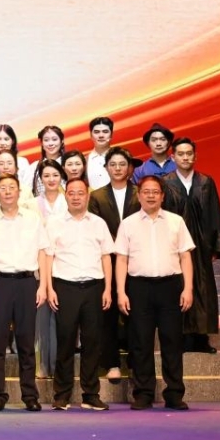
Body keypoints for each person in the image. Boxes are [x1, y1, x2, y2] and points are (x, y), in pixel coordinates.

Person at [116, 175, 195, 410]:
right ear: (139, 195)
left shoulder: (176, 221)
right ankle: (143, 393)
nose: (150, 195)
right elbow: (121, 259)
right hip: (139, 288)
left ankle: (174, 393)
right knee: (140, 342)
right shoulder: (128, 223)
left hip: (171, 287)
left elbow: (185, 256)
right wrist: (121, 292)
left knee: (172, 341)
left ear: (162, 196)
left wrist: (188, 288)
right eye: (146, 191)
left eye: (155, 192)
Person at [0, 174, 49, 412]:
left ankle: (30, 395)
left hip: (27, 283)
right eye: (3, 188)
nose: (7, 191)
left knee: (26, 342)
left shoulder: (33, 219)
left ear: (19, 191)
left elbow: (43, 252)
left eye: (11, 187)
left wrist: (42, 285)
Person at [44, 177, 113, 411]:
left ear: (87, 195)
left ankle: (91, 394)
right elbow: (48, 257)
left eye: (80, 193)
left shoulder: (98, 223)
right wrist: (49, 288)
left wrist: (108, 288)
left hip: (94, 287)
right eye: (71, 193)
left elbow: (106, 256)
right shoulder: (54, 223)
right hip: (64, 286)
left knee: (92, 342)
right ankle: (61, 394)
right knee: (65, 341)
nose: (75, 197)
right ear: (65, 195)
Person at [163, 137, 220, 353]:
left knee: (203, 289)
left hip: (201, 245)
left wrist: (215, 246)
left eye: (189, 153)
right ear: (173, 157)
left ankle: (202, 338)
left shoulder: (206, 182)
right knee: (179, 287)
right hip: (175, 246)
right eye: (181, 154)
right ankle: (181, 338)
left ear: (195, 156)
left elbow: (215, 214)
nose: (185, 157)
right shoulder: (165, 183)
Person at [87, 146, 140, 382]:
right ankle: (111, 363)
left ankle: (136, 362)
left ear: (129, 168)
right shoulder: (97, 196)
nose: (117, 168)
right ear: (106, 168)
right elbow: (94, 228)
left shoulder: (140, 193)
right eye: (113, 164)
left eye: (122, 164)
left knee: (136, 314)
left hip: (136, 260)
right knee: (107, 314)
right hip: (107, 260)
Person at [33, 158, 68, 378]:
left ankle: (58, 365)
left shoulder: (69, 201)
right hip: (38, 265)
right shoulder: (31, 204)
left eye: (55, 175)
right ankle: (42, 366)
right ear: (40, 179)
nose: (51, 179)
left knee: (61, 319)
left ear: (61, 177)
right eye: (46, 175)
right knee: (40, 319)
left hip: (65, 265)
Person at [30, 126, 66, 196]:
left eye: (54, 139)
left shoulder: (68, 163)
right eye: (46, 140)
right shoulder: (34, 167)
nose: (50, 143)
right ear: (41, 143)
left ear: (61, 141)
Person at [86, 116, 115, 190]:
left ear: (111, 134)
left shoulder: (121, 158)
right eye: (96, 132)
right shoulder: (84, 161)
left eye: (105, 132)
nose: (101, 135)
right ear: (91, 135)